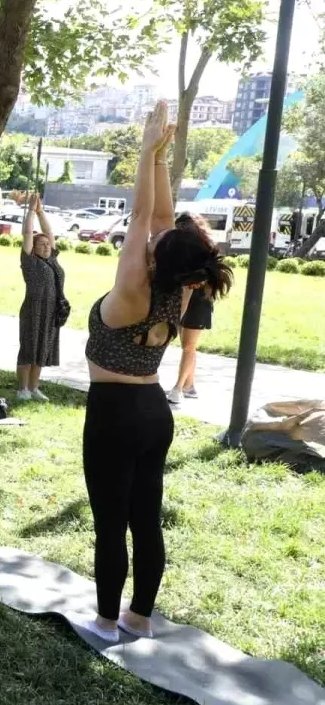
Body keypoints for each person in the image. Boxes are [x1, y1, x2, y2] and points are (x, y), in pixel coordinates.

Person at [79, 101, 233, 642]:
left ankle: (104, 620)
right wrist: (161, 159)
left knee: (110, 523)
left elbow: (145, 218)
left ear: (158, 256)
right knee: (145, 517)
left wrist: (147, 151)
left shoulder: (133, 291)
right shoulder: (178, 286)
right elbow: (162, 223)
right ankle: (139, 618)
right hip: (152, 412)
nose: (151, 236)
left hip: (114, 413)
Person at [17, 193, 66, 401]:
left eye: (48, 244)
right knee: (29, 347)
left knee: (43, 348)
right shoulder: (30, 261)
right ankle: (23, 389)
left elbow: (49, 231)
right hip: (34, 310)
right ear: (34, 249)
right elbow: (28, 233)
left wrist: (40, 211)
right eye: (42, 245)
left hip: (52, 310)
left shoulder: (53, 260)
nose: (46, 246)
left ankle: (34, 387)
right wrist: (29, 212)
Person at [167, 212, 214, 407]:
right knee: (187, 346)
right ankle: (190, 386)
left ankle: (178, 388)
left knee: (188, 346)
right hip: (182, 297)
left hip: (200, 301)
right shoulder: (182, 247)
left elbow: (212, 276)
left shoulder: (207, 249)